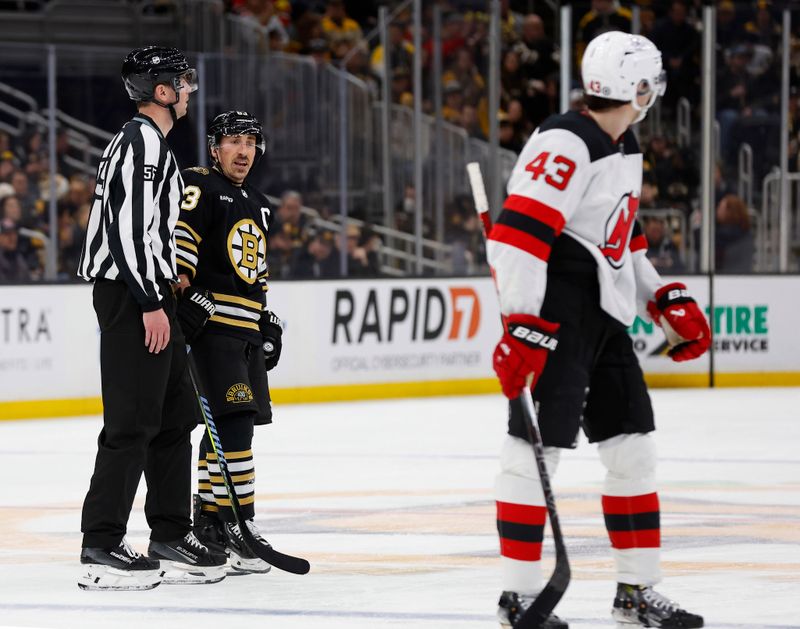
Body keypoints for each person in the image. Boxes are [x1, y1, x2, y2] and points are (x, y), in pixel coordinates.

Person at [487, 32, 710, 628]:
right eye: (650, 82)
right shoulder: (567, 140)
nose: (655, 92)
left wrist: (663, 296)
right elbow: (517, 238)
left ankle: (635, 592)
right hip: (558, 311)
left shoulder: (624, 142)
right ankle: (520, 595)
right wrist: (524, 328)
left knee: (634, 450)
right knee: (533, 455)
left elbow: (623, 238)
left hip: (605, 312)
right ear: (636, 87)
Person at [76, 46, 227, 591]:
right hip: (130, 297)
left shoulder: (152, 144)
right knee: (132, 423)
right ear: (161, 91)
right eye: (181, 82)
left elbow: (144, 230)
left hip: (149, 291)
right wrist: (150, 301)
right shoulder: (142, 142)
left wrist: (169, 284)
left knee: (172, 417)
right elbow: (126, 230)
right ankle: (101, 544)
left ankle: (169, 531)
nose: (189, 90)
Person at [175, 111, 283, 573]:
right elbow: (181, 245)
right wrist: (184, 293)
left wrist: (266, 323)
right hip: (213, 329)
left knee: (228, 428)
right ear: (215, 147)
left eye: (251, 141)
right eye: (234, 141)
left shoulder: (260, 203)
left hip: (242, 332)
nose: (243, 150)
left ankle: (211, 521)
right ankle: (242, 523)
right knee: (234, 424)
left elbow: (254, 273)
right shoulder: (199, 184)